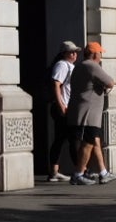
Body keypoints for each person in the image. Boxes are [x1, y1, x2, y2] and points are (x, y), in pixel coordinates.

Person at [69, 41, 116, 186]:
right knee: (88, 143)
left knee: (94, 141)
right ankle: (78, 174)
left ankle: (103, 173)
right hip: (88, 114)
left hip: (84, 111)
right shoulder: (92, 66)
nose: (101, 56)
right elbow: (110, 82)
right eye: (100, 53)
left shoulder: (80, 66)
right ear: (95, 53)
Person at [46, 40, 81, 183]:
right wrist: (61, 105)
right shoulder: (62, 65)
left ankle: (55, 172)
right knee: (73, 139)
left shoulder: (69, 66)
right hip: (63, 107)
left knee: (61, 140)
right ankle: (80, 171)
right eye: (71, 52)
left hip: (66, 107)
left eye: (75, 52)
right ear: (64, 53)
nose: (74, 54)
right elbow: (56, 84)